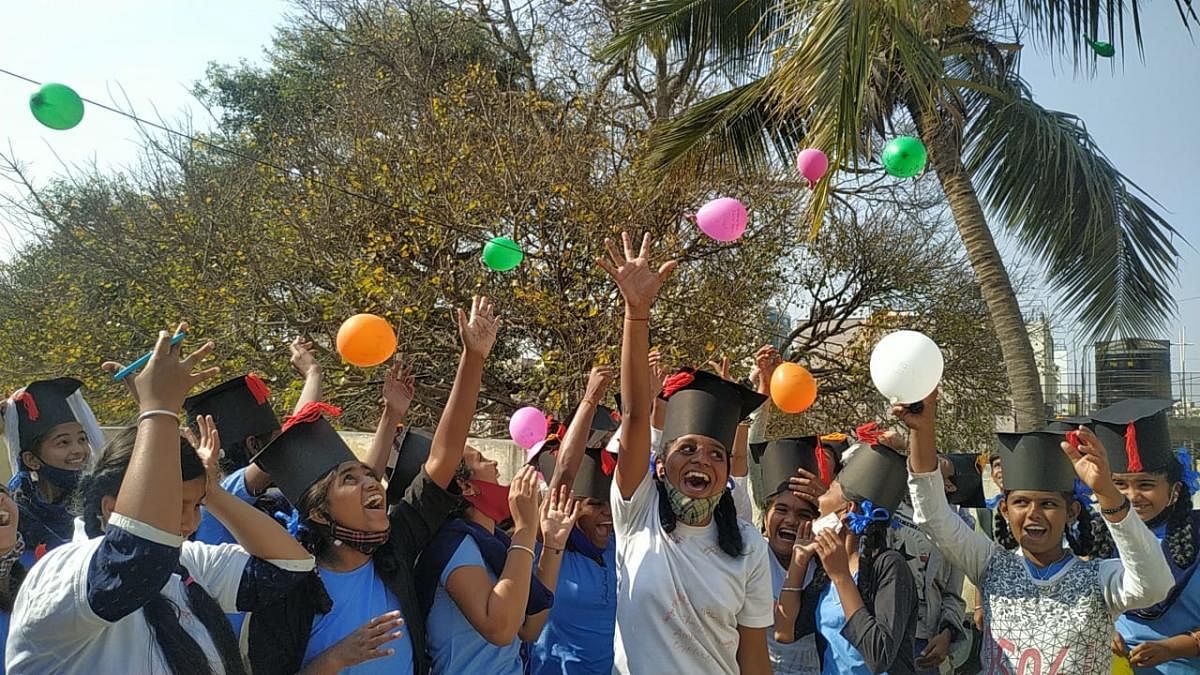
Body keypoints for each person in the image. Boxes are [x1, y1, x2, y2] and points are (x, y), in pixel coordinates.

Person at [6, 327, 315, 674]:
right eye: (176, 506)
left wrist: (208, 489)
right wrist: (158, 411)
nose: (193, 523)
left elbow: (289, 566)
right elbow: (137, 560)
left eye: (195, 506)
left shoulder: (187, 564)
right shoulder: (60, 573)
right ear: (110, 509)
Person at [246, 295, 499, 675]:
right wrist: (335, 659)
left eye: (369, 475)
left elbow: (443, 458)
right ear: (318, 512)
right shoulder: (288, 589)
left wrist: (473, 358)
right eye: (351, 478)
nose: (372, 483)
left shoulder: (395, 546)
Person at [599, 232, 773, 675]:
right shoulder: (638, 511)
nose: (702, 460)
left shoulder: (748, 546)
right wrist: (636, 314)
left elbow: (753, 657)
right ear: (661, 461)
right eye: (687, 449)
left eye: (716, 454)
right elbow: (638, 416)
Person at [903, 391, 1174, 673]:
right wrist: (922, 429)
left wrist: (1107, 492)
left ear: (1071, 512)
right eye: (1021, 502)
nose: (1033, 513)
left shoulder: (1099, 579)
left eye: (1048, 504)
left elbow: (1153, 585)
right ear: (1006, 510)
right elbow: (934, 516)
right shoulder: (990, 564)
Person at [776, 431, 918, 674]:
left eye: (829, 491)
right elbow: (785, 632)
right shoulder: (825, 571)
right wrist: (798, 563)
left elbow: (880, 655)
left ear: (847, 510)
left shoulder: (889, 566)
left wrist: (842, 576)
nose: (819, 501)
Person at [1094, 399, 1200, 673]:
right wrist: (1101, 630)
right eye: (1119, 485)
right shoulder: (1093, 535)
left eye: (1146, 484)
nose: (1132, 496)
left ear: (1175, 490)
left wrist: (1176, 647)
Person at [527, 366, 619, 675]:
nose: (607, 512)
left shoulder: (618, 548)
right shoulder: (553, 546)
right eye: (595, 504)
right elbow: (564, 473)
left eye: (610, 504)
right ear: (572, 507)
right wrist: (590, 400)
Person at [892, 451, 981, 674]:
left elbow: (952, 594)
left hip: (925, 645)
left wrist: (947, 633)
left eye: (940, 467)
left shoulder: (957, 527)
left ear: (950, 486)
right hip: (888, 636)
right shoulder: (887, 508)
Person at [2, 378, 106, 567]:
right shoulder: (14, 516)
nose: (78, 450)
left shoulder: (103, 505)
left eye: (82, 439)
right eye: (63, 442)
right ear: (31, 460)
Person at [754, 436, 827, 674]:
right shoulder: (750, 558)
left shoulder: (827, 566)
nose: (791, 521)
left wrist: (827, 504)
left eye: (804, 514)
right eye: (781, 510)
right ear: (766, 517)